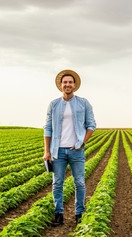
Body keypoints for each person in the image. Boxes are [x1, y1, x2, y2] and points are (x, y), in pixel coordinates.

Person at [43, 69, 96, 226]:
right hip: (57, 151)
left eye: (70, 82)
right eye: (65, 82)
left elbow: (91, 125)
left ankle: (79, 213)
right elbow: (47, 128)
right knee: (57, 183)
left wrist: (82, 142)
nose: (67, 85)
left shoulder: (83, 103)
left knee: (79, 182)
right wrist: (47, 151)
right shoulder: (53, 105)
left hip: (76, 151)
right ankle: (58, 214)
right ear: (60, 85)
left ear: (75, 85)